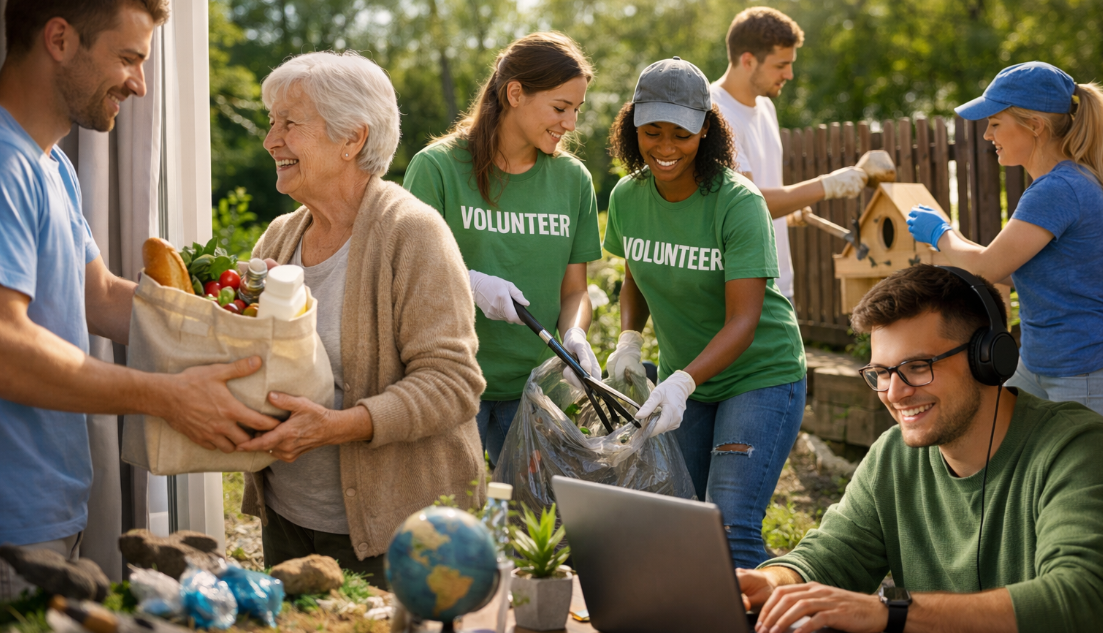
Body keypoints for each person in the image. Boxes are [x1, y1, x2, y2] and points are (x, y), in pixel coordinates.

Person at [0, 0, 282, 601]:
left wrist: (240, 331)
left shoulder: (50, 166)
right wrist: (168, 397)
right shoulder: (4, 167)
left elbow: (99, 297)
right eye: (128, 57)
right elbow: (6, 348)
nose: (140, 82)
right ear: (58, 39)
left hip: (50, 508)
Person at [233, 51, 487, 588]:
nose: (270, 140)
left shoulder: (412, 232)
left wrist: (338, 428)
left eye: (289, 124)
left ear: (352, 139)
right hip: (288, 517)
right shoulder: (279, 238)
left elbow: (454, 383)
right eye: (271, 123)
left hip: (393, 533)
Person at [739, 265, 1103, 633]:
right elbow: (832, 557)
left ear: (987, 358)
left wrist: (890, 612)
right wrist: (774, 583)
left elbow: (1080, 596)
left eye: (917, 366)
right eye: (881, 372)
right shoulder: (894, 456)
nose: (894, 393)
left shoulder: (1076, 447)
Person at [603, 58, 807, 570]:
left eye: (681, 134)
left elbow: (744, 320)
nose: (665, 148)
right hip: (687, 379)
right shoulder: (628, 197)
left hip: (759, 375)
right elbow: (638, 273)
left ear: (707, 132)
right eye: (652, 132)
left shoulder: (737, 203)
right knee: (684, 520)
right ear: (632, 128)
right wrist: (629, 339)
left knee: (730, 526)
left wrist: (679, 384)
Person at [403, 32, 603, 466]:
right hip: (452, 386)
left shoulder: (573, 181)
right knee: (455, 527)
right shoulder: (436, 169)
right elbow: (406, 273)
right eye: (559, 107)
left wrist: (575, 335)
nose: (570, 123)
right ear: (515, 93)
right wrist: (469, 283)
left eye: (576, 110)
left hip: (535, 394)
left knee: (537, 528)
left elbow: (575, 290)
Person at [907, 62, 1103, 416]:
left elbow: (989, 267)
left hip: (1081, 371)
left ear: (1035, 126)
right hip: (1040, 363)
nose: (987, 135)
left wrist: (941, 233)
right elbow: (1016, 272)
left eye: (995, 123)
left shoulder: (1058, 189)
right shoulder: (1061, 183)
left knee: (1083, 471)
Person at [709, 7, 870, 303]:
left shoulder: (765, 107)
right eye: (781, 65)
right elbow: (746, 205)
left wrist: (788, 208)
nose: (790, 74)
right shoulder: (716, 112)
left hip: (778, 282)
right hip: (742, 289)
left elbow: (757, 189)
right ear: (748, 60)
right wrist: (828, 185)